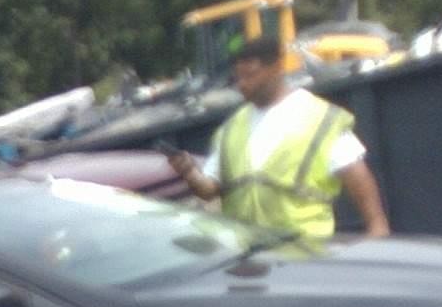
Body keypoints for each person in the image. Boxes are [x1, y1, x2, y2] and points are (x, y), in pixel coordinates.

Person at [166, 33, 390, 241]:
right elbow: (209, 190)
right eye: (239, 77)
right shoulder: (231, 129)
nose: (243, 84)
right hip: (249, 258)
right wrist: (189, 172)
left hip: (305, 254)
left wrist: (377, 227)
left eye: (251, 75)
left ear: (277, 68)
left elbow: (358, 178)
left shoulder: (320, 119)